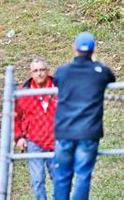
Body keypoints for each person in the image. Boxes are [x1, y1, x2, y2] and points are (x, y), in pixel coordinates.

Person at [53, 32, 116, 200]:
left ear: (74, 49)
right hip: (88, 132)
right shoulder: (100, 71)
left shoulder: (63, 71)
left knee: (61, 175)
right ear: (94, 49)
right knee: (83, 175)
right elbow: (111, 77)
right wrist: (94, 62)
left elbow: (56, 81)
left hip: (65, 130)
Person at [15, 58, 56, 200]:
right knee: (37, 180)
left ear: (48, 71)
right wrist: (19, 137)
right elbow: (16, 117)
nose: (39, 74)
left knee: (59, 180)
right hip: (34, 141)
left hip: (57, 141)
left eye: (42, 70)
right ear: (31, 73)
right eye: (36, 71)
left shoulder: (60, 88)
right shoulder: (24, 93)